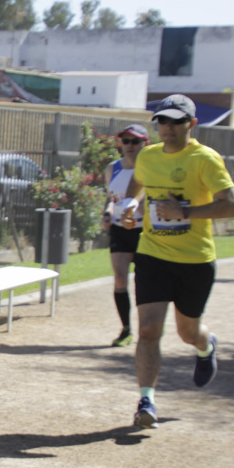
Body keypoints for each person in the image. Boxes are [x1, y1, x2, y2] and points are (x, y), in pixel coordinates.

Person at [121, 94, 234, 429]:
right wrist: (132, 206)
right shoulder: (148, 156)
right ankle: (146, 400)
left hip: (195, 260)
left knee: (188, 332)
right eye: (162, 121)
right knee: (147, 330)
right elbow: (137, 185)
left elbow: (232, 206)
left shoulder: (205, 159)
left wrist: (184, 211)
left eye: (176, 121)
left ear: (192, 124)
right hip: (152, 255)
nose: (168, 128)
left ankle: (206, 346)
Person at [100, 124, 148, 347]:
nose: (129, 146)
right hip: (120, 230)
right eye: (125, 141)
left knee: (144, 281)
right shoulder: (113, 169)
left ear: (144, 143)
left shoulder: (150, 170)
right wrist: (107, 215)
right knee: (120, 278)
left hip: (143, 231)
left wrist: (138, 209)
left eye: (134, 141)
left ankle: (148, 327)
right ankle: (126, 329)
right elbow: (111, 198)